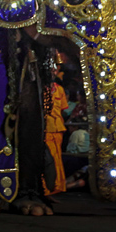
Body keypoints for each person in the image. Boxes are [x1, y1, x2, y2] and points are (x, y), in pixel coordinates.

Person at [42, 60, 69, 195]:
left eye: (56, 69)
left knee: (57, 158)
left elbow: (63, 108)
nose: (54, 71)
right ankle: (46, 189)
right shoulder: (41, 88)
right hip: (46, 128)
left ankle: (56, 188)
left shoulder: (59, 89)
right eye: (52, 69)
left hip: (58, 128)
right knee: (49, 158)